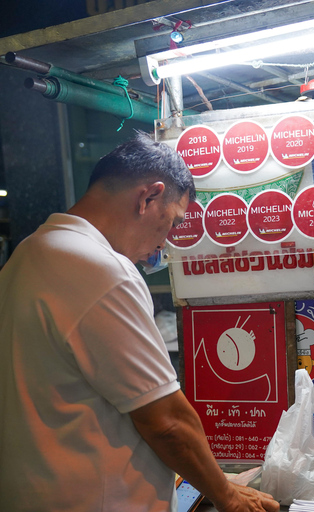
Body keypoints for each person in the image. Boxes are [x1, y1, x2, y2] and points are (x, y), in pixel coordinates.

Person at [0, 132, 280, 512]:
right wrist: (228, 496)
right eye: (174, 222)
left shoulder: (26, 255)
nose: (165, 244)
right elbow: (166, 422)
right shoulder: (102, 270)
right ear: (149, 198)